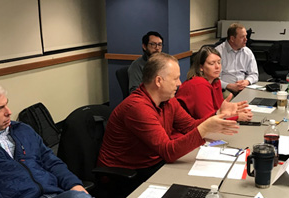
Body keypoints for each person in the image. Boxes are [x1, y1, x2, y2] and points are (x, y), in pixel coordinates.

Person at [98, 52, 240, 196]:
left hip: (152, 162)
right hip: (127, 175)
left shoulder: (168, 100)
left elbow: (190, 126)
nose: (179, 83)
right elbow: (168, 151)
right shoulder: (137, 107)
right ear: (159, 81)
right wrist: (204, 129)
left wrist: (218, 115)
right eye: (176, 78)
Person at [0, 80, 92, 198]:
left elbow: (51, 162)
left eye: (6, 104)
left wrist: (74, 185)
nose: (9, 112)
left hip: (54, 193)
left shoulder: (22, 130)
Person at [176, 46, 253, 121]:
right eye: (212, 63)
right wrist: (236, 117)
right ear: (201, 67)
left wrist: (233, 113)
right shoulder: (198, 84)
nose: (217, 67)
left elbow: (218, 111)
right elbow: (208, 119)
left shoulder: (216, 81)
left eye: (219, 63)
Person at [215, 23, 259, 96]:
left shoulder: (247, 52)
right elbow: (213, 79)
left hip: (244, 88)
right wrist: (229, 86)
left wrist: (247, 81)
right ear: (232, 39)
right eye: (242, 37)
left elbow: (254, 74)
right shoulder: (218, 52)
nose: (246, 39)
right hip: (225, 89)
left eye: (246, 36)